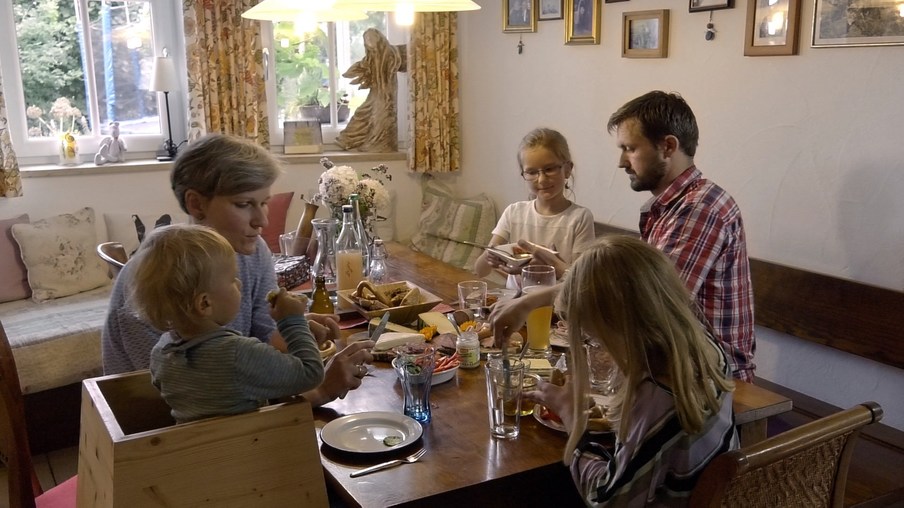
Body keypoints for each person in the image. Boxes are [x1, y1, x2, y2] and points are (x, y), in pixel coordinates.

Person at [102, 133, 373, 405]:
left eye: (264, 202)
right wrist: (319, 390)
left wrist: (296, 331)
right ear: (196, 204)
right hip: (167, 431)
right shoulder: (159, 278)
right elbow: (187, 397)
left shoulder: (253, 253)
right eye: (244, 204)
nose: (262, 221)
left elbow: (264, 335)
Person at [524, 236, 738, 506]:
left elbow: (604, 499)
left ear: (620, 327)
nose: (599, 346)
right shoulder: (704, 346)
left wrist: (571, 415)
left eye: (596, 337)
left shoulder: (658, 398)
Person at [606, 91, 755, 381]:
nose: (622, 162)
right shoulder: (670, 205)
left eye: (630, 148)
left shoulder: (700, 208)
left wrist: (551, 295)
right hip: (677, 364)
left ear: (668, 147)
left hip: (712, 381)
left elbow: (653, 305)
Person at [129, 224, 324, 423]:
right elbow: (311, 374)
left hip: (193, 451)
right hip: (248, 449)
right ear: (205, 303)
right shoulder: (238, 352)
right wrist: (292, 320)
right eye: (232, 279)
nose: (239, 284)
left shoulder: (161, 352)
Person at [474, 128, 595, 288]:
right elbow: (480, 270)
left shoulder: (580, 217)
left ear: (567, 169)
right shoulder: (514, 212)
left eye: (550, 169)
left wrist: (550, 265)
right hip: (514, 302)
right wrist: (492, 256)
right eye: (531, 172)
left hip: (555, 305)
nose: (542, 179)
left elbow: (581, 281)